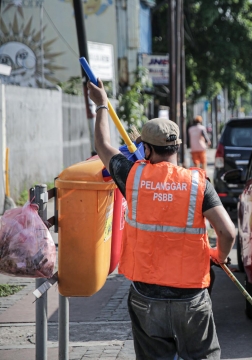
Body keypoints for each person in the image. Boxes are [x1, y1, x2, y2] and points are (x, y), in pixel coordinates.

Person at [88, 79, 235, 360]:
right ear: (178, 146)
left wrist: (101, 105)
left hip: (146, 297)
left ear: (145, 149)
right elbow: (227, 232)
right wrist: (220, 255)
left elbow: (103, 145)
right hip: (191, 298)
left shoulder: (132, 176)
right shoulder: (198, 183)